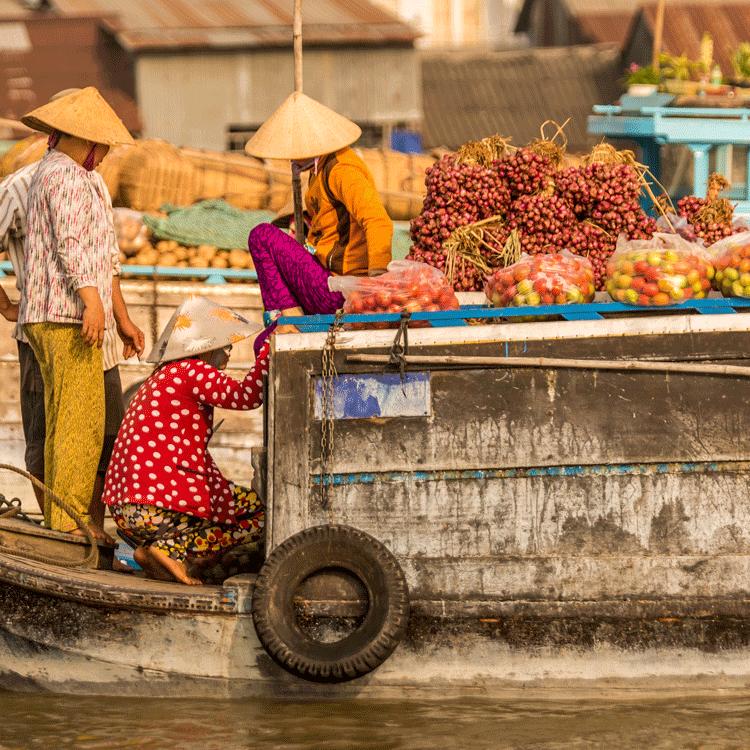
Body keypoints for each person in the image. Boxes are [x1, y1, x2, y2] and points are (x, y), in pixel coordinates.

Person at [0, 95, 143, 522]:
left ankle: (81, 528)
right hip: (65, 317)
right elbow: (73, 247)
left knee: (93, 430)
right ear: (86, 140)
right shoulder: (50, 179)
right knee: (65, 431)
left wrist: (121, 317)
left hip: (83, 319)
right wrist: (8, 303)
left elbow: (104, 256)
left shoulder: (88, 180)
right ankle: (66, 528)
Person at [103, 296, 269, 585]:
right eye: (225, 347)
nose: (227, 355)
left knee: (232, 502)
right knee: (259, 516)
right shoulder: (193, 372)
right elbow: (247, 396)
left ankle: (154, 554)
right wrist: (270, 351)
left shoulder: (164, 375)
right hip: (152, 507)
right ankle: (168, 550)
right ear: (206, 348)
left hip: (125, 507)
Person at [244, 92, 393, 354]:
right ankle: (287, 318)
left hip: (340, 290)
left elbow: (378, 221)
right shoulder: (319, 171)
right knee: (262, 344)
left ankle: (288, 316)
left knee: (261, 236)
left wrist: (376, 283)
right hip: (328, 281)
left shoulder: (342, 170)